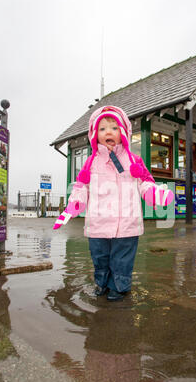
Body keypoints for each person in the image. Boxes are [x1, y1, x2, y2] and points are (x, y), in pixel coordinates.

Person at [54, 106, 174, 301]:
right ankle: (101, 284)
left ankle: (119, 287)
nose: (108, 132)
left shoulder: (134, 161)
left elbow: (145, 182)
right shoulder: (91, 163)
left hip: (126, 224)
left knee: (122, 260)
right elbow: (81, 186)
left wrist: (155, 194)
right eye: (102, 129)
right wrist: (75, 204)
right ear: (94, 134)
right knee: (100, 258)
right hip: (98, 223)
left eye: (113, 128)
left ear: (124, 132)